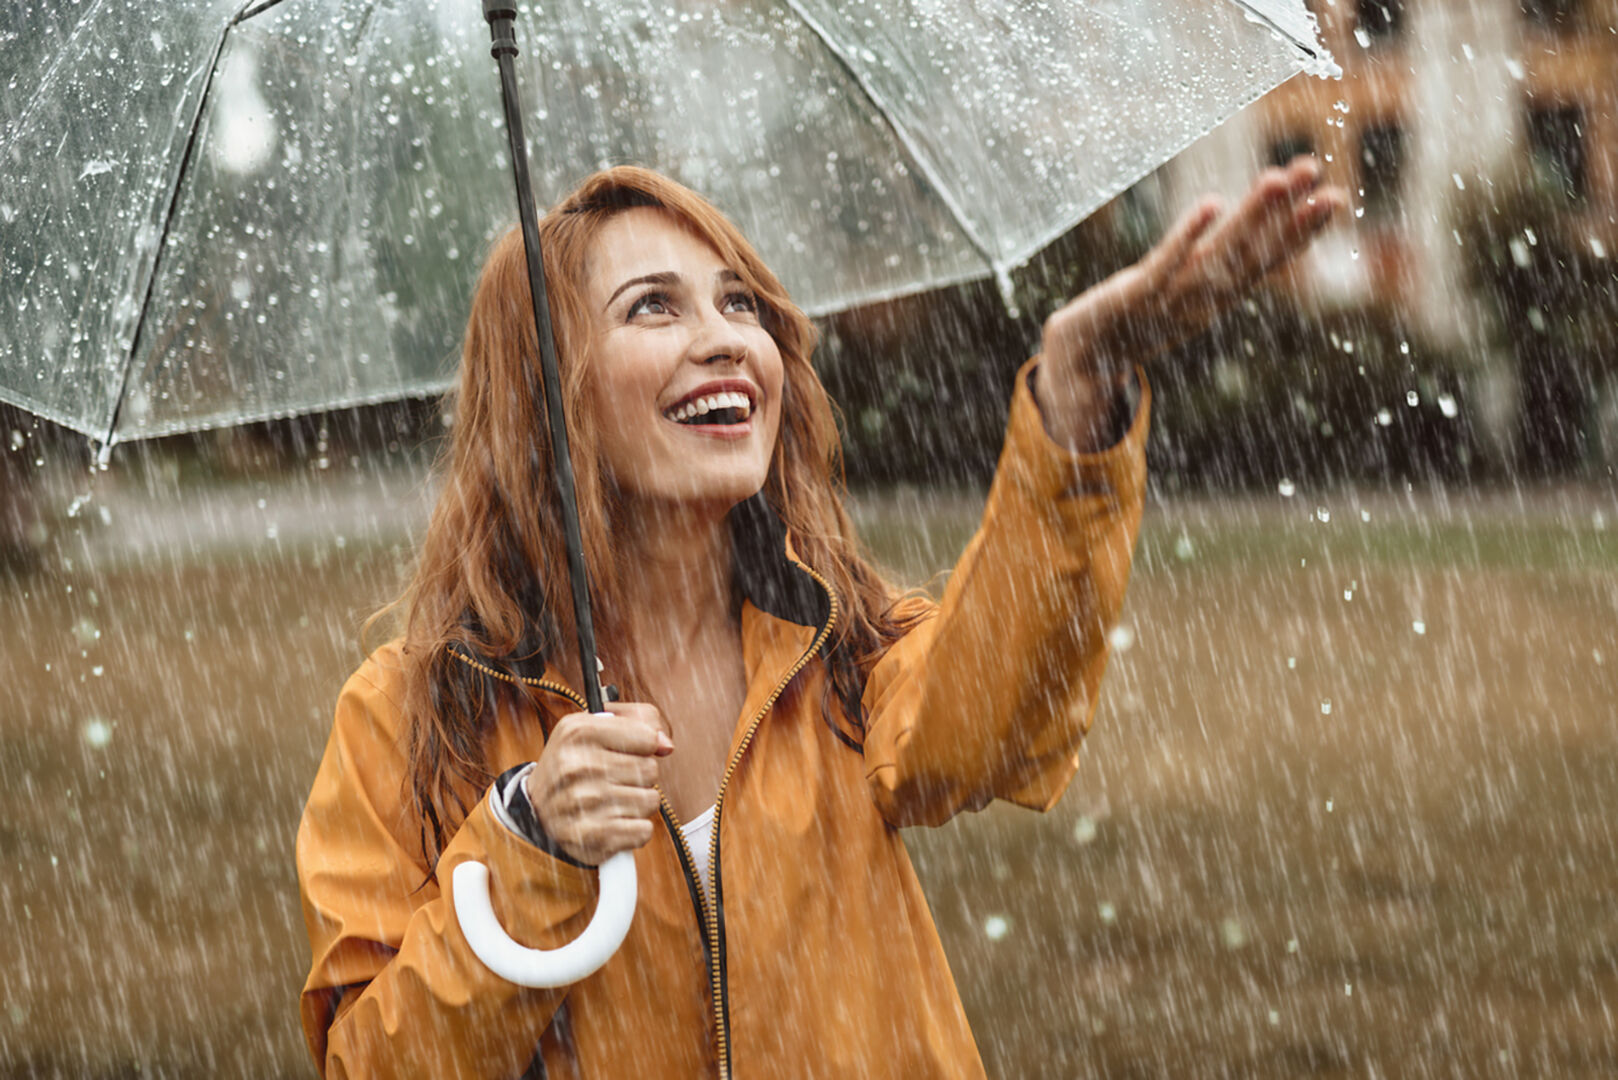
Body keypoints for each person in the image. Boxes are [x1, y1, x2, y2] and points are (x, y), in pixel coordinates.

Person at [297, 161, 1343, 1079]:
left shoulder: (839, 648)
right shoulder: (408, 719)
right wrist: (527, 841)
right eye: (652, 308)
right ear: (544, 393)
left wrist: (1078, 391)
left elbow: (991, 719)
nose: (723, 341)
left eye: (740, 304)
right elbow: (374, 1066)